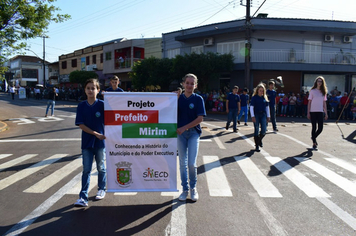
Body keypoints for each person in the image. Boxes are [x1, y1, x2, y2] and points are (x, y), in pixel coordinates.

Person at [74, 78, 107, 207]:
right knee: (86, 170)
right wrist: (95, 133)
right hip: (87, 143)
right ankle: (83, 196)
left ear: (98, 90)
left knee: (101, 168)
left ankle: (101, 189)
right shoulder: (81, 105)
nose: (90, 90)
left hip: (100, 143)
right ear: (85, 90)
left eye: (93, 88)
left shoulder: (103, 105)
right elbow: (80, 124)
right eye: (88, 88)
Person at [177, 73, 206, 202]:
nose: (189, 85)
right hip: (180, 135)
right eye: (187, 83)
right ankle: (185, 189)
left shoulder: (198, 99)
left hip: (193, 133)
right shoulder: (177, 98)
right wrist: (172, 98)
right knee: (182, 163)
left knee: (191, 163)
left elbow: (200, 118)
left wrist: (185, 127)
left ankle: (193, 188)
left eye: (192, 83)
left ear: (196, 85)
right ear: (183, 84)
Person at [307, 76, 328, 150]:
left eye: (321, 81)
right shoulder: (312, 91)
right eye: (318, 81)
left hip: (320, 111)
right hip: (313, 111)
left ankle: (313, 137)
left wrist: (326, 113)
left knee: (320, 128)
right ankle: (314, 143)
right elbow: (309, 102)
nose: (319, 82)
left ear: (322, 83)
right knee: (314, 127)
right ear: (316, 82)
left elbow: (324, 103)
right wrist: (308, 112)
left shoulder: (324, 92)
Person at [250, 83, 270, 152]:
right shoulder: (254, 98)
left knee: (264, 130)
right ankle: (257, 145)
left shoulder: (265, 98)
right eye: (260, 90)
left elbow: (267, 107)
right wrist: (252, 116)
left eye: (262, 91)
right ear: (257, 90)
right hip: (256, 114)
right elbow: (251, 107)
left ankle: (259, 140)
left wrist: (268, 116)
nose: (261, 92)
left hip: (263, 114)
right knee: (256, 129)